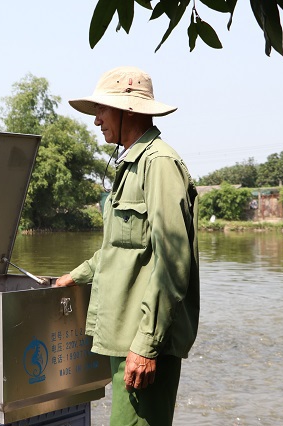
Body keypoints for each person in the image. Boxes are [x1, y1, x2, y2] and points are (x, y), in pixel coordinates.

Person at [55, 66, 200, 426]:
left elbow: (173, 260)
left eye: (102, 110)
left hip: (141, 339)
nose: (97, 121)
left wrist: (147, 345)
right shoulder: (131, 165)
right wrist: (75, 276)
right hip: (124, 335)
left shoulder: (159, 164)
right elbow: (121, 247)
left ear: (129, 111)